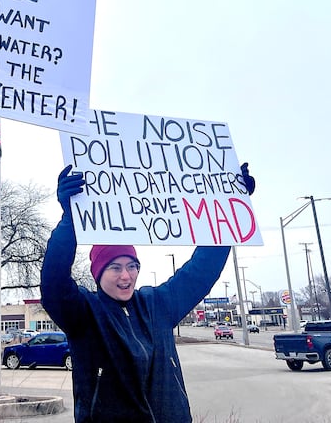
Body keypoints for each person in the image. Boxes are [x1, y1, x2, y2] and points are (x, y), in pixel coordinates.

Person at [41, 163, 256, 423]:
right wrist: (70, 220)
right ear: (98, 273)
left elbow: (201, 271)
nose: (126, 275)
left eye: (132, 266)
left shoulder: (156, 304)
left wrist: (230, 206)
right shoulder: (85, 313)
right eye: (115, 267)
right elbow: (54, 283)